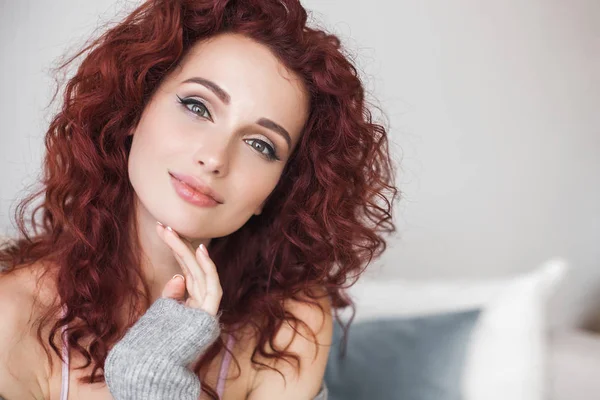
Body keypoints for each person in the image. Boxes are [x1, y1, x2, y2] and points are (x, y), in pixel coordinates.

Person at [0, 0, 399, 398]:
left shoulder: (291, 327)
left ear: (279, 187)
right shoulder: (12, 317)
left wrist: (153, 382)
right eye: (197, 106)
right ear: (135, 110)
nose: (214, 158)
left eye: (260, 145)